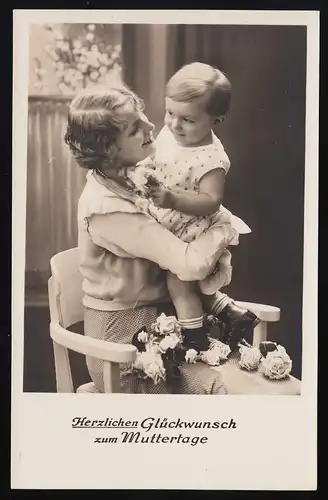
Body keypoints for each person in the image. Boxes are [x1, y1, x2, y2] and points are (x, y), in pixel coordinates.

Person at [64, 81, 259, 394]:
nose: (151, 125)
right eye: (133, 128)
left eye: (142, 115)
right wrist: (225, 227)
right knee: (229, 392)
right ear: (109, 150)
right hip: (122, 348)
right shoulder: (107, 209)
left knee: (248, 387)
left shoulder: (133, 173)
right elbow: (191, 266)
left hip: (169, 321)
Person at [125, 62, 259, 353]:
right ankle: (229, 311)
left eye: (187, 119)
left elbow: (211, 200)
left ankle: (193, 341)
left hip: (191, 225)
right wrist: (143, 171)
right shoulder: (171, 134)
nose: (174, 124)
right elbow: (155, 159)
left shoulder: (211, 158)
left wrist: (172, 199)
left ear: (216, 118)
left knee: (179, 282)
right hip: (166, 218)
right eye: (170, 113)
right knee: (159, 275)